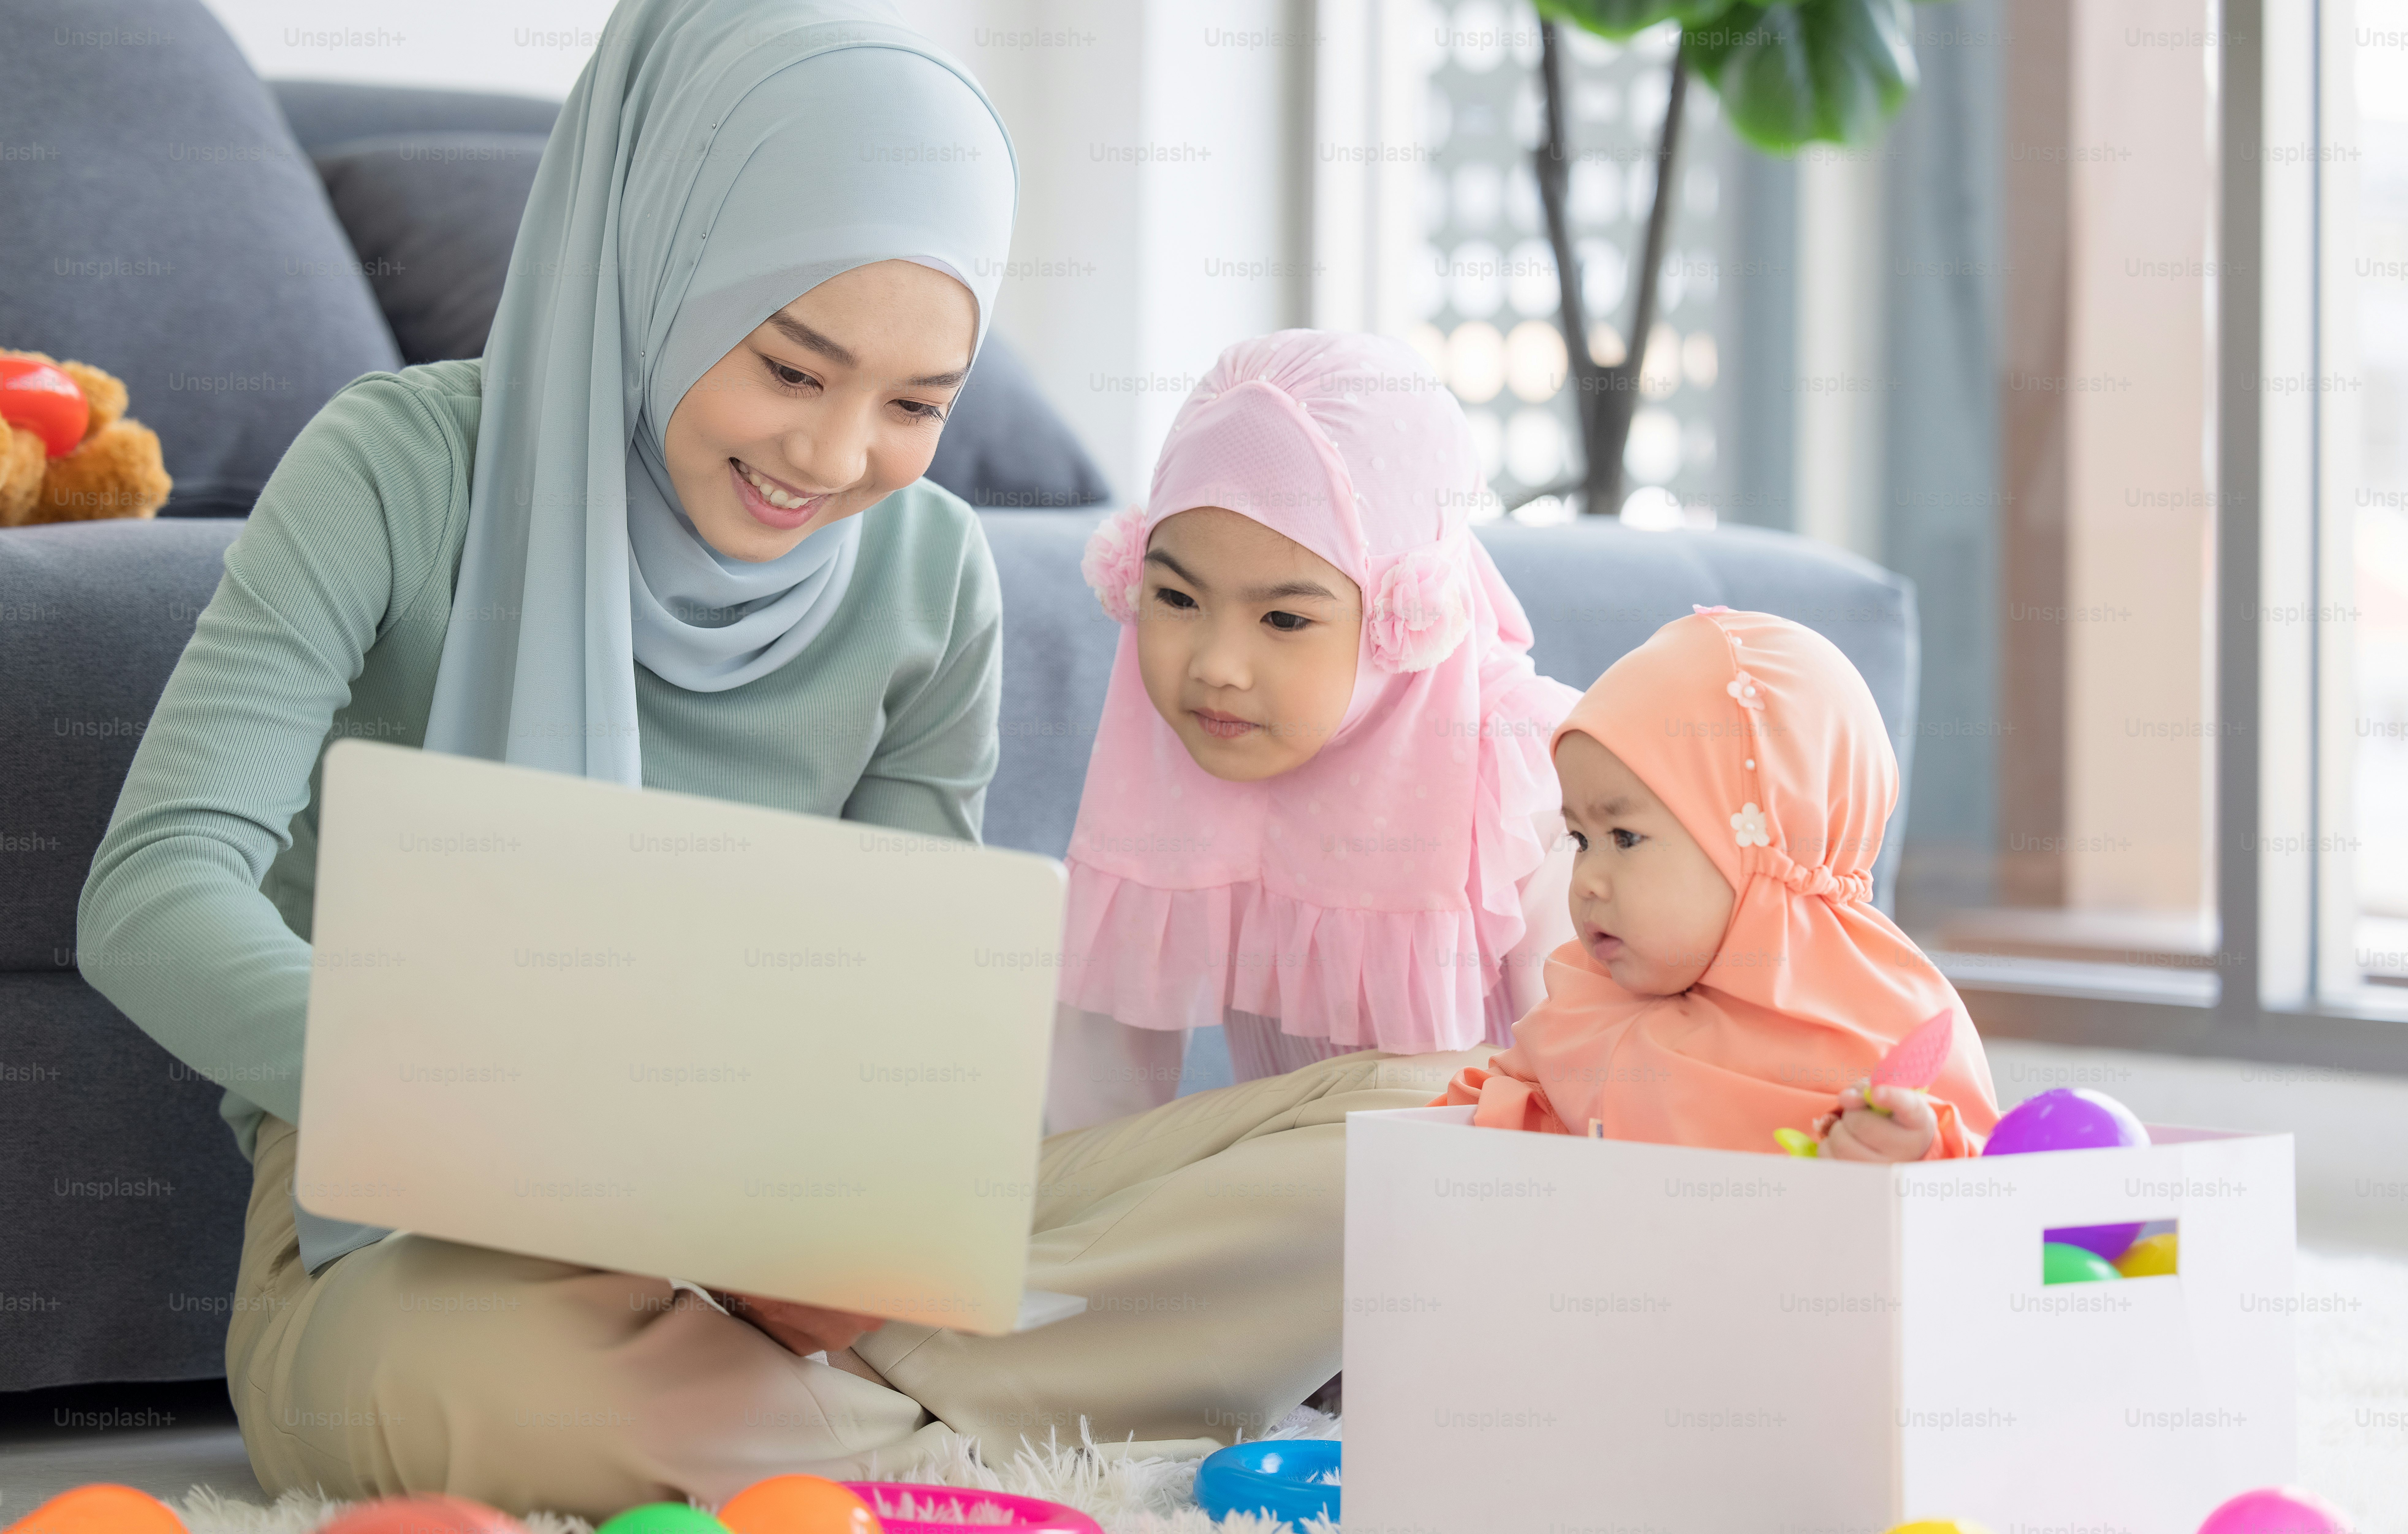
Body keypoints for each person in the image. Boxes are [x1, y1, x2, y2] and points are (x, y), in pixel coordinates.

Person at [75, 0, 1453, 1514]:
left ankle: (839, 1414)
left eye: (916, 402)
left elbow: (905, 1031)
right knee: (467, 1379)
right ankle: (1003, 1428)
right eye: (793, 368)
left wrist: (842, 1234)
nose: (833, 455)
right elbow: (153, 891)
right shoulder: (400, 466)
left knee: (1437, 1126)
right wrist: (509, 1106)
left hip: (803, 1237)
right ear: (665, 260)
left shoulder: (929, 570)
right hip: (419, 1228)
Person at [1046, 331, 1581, 1132]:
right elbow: (1086, 1118)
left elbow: (1599, 1099)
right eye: (1176, 600)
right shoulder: (1185, 742)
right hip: (1300, 1205)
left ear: (1407, 615)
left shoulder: (1533, 772)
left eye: (1285, 618)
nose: (1217, 666)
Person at [1438, 607, 2000, 1160]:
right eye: (1580, 840)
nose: (1586, 882)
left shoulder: (1882, 1020)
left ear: (1769, 841)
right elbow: (1469, 1135)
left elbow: (1992, 1202)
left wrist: (1916, 1150)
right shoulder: (1582, 1011)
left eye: (1626, 838)